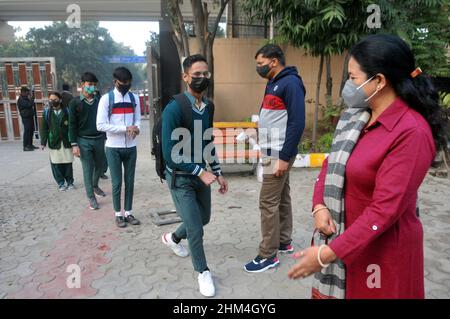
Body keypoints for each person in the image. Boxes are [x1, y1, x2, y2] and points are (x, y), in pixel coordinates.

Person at [287, 34, 447, 299]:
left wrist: (326, 254)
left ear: (380, 81)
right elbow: (332, 163)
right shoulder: (356, 117)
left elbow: (384, 211)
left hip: (382, 255)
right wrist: (319, 205)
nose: (348, 86)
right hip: (347, 244)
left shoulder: (411, 132)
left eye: (353, 78)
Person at [161, 54, 228, 297]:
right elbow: (169, 153)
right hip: (181, 177)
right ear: (185, 76)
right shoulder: (174, 108)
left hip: (202, 174)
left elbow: (207, 139)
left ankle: (173, 238)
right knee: (197, 229)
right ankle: (203, 272)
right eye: (196, 74)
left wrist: (217, 172)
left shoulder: (208, 106)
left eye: (205, 74)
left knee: (203, 218)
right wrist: (200, 172)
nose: (201, 78)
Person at [244, 44, 306, 273]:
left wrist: (284, 157)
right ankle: (284, 241)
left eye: (261, 63)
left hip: (279, 153)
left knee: (267, 202)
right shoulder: (273, 82)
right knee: (282, 197)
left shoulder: (291, 83)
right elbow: (272, 116)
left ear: (274, 61)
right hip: (271, 149)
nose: (258, 68)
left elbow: (297, 122)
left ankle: (268, 255)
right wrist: (258, 132)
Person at [97, 67, 141, 228]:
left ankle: (128, 212)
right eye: (123, 82)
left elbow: (137, 119)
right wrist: (125, 129)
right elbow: (100, 125)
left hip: (131, 146)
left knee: (130, 181)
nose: (126, 85)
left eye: (129, 82)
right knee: (117, 182)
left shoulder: (134, 98)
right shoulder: (106, 99)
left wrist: (136, 128)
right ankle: (118, 214)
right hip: (113, 147)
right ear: (115, 82)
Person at [68, 72, 107, 210]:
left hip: (99, 139)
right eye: (90, 84)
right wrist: (74, 145)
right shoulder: (75, 103)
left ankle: (95, 185)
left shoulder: (100, 101)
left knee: (101, 166)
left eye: (94, 85)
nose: (92, 87)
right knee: (87, 169)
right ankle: (91, 196)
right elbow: (72, 124)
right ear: (82, 84)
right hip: (83, 141)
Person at [40, 92, 74, 191]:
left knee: (67, 162)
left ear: (60, 100)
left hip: (66, 141)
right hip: (54, 142)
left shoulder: (67, 111)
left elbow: (72, 126)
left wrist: (74, 140)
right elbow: (44, 128)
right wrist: (43, 142)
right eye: (50, 100)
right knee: (56, 163)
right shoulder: (46, 112)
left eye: (55, 100)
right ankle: (61, 183)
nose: (52, 102)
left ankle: (70, 182)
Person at [17, 86, 37, 151]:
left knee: (31, 131)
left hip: (29, 116)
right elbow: (29, 105)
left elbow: (31, 102)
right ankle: (25, 146)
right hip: (26, 118)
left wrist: (32, 95)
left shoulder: (25, 98)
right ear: (23, 92)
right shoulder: (21, 99)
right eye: (27, 91)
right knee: (27, 131)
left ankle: (30, 145)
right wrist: (32, 98)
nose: (28, 92)